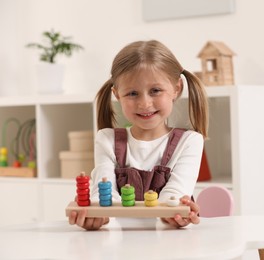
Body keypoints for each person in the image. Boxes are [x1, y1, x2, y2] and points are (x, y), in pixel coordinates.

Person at [68, 40, 209, 230]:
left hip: (170, 242)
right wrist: (97, 213)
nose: (144, 103)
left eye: (155, 91)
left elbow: (174, 195)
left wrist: (174, 214)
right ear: (117, 94)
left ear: (176, 88)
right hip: (117, 242)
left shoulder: (190, 141)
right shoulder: (107, 140)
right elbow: (103, 194)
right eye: (133, 93)